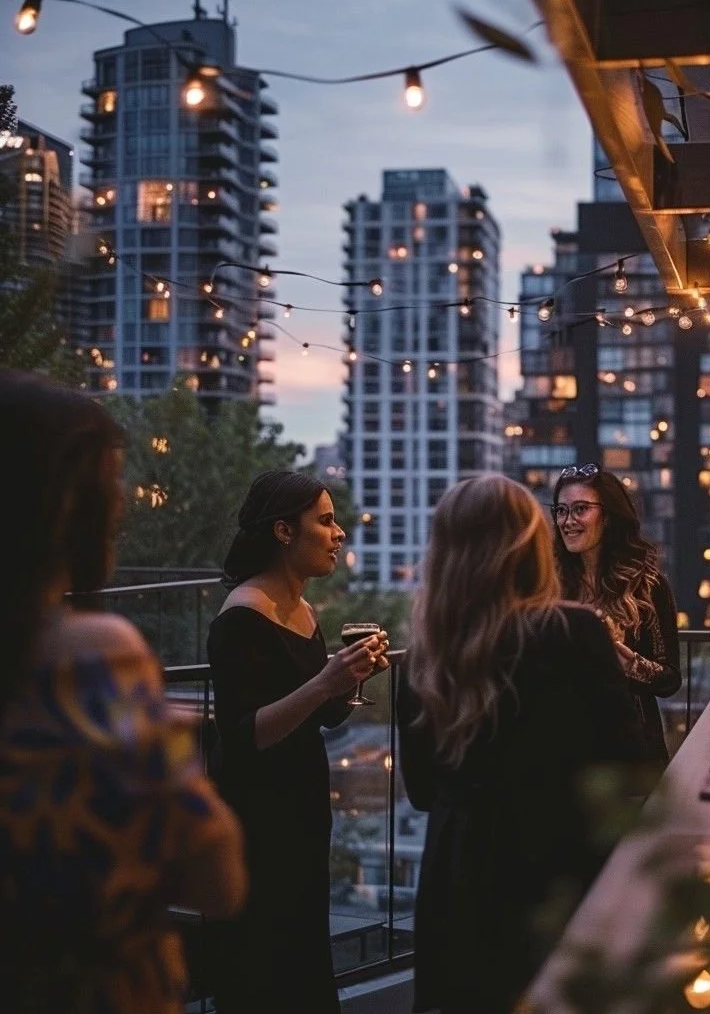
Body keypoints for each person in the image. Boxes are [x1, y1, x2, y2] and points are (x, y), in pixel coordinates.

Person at [0, 371, 246, 1013]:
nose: (124, 504)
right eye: (108, 485)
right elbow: (217, 878)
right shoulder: (92, 655)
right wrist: (165, 743)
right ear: (59, 506)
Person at [398, 474, 647, 1014]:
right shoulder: (573, 631)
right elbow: (624, 765)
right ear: (530, 544)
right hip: (552, 870)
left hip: (457, 876)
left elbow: (420, 790)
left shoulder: (423, 653)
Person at [207, 470, 389, 1014]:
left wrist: (352, 677)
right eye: (327, 521)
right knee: (264, 964)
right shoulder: (241, 615)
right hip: (257, 819)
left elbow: (327, 715)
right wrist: (325, 683)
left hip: (302, 812)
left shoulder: (305, 610)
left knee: (301, 956)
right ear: (285, 532)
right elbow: (243, 736)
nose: (339, 534)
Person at [551, 464, 681, 768]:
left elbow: (670, 679)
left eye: (580, 509)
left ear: (608, 517)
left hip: (630, 753)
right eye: (560, 511)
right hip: (562, 754)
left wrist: (629, 664)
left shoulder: (647, 585)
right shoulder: (547, 585)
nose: (568, 521)